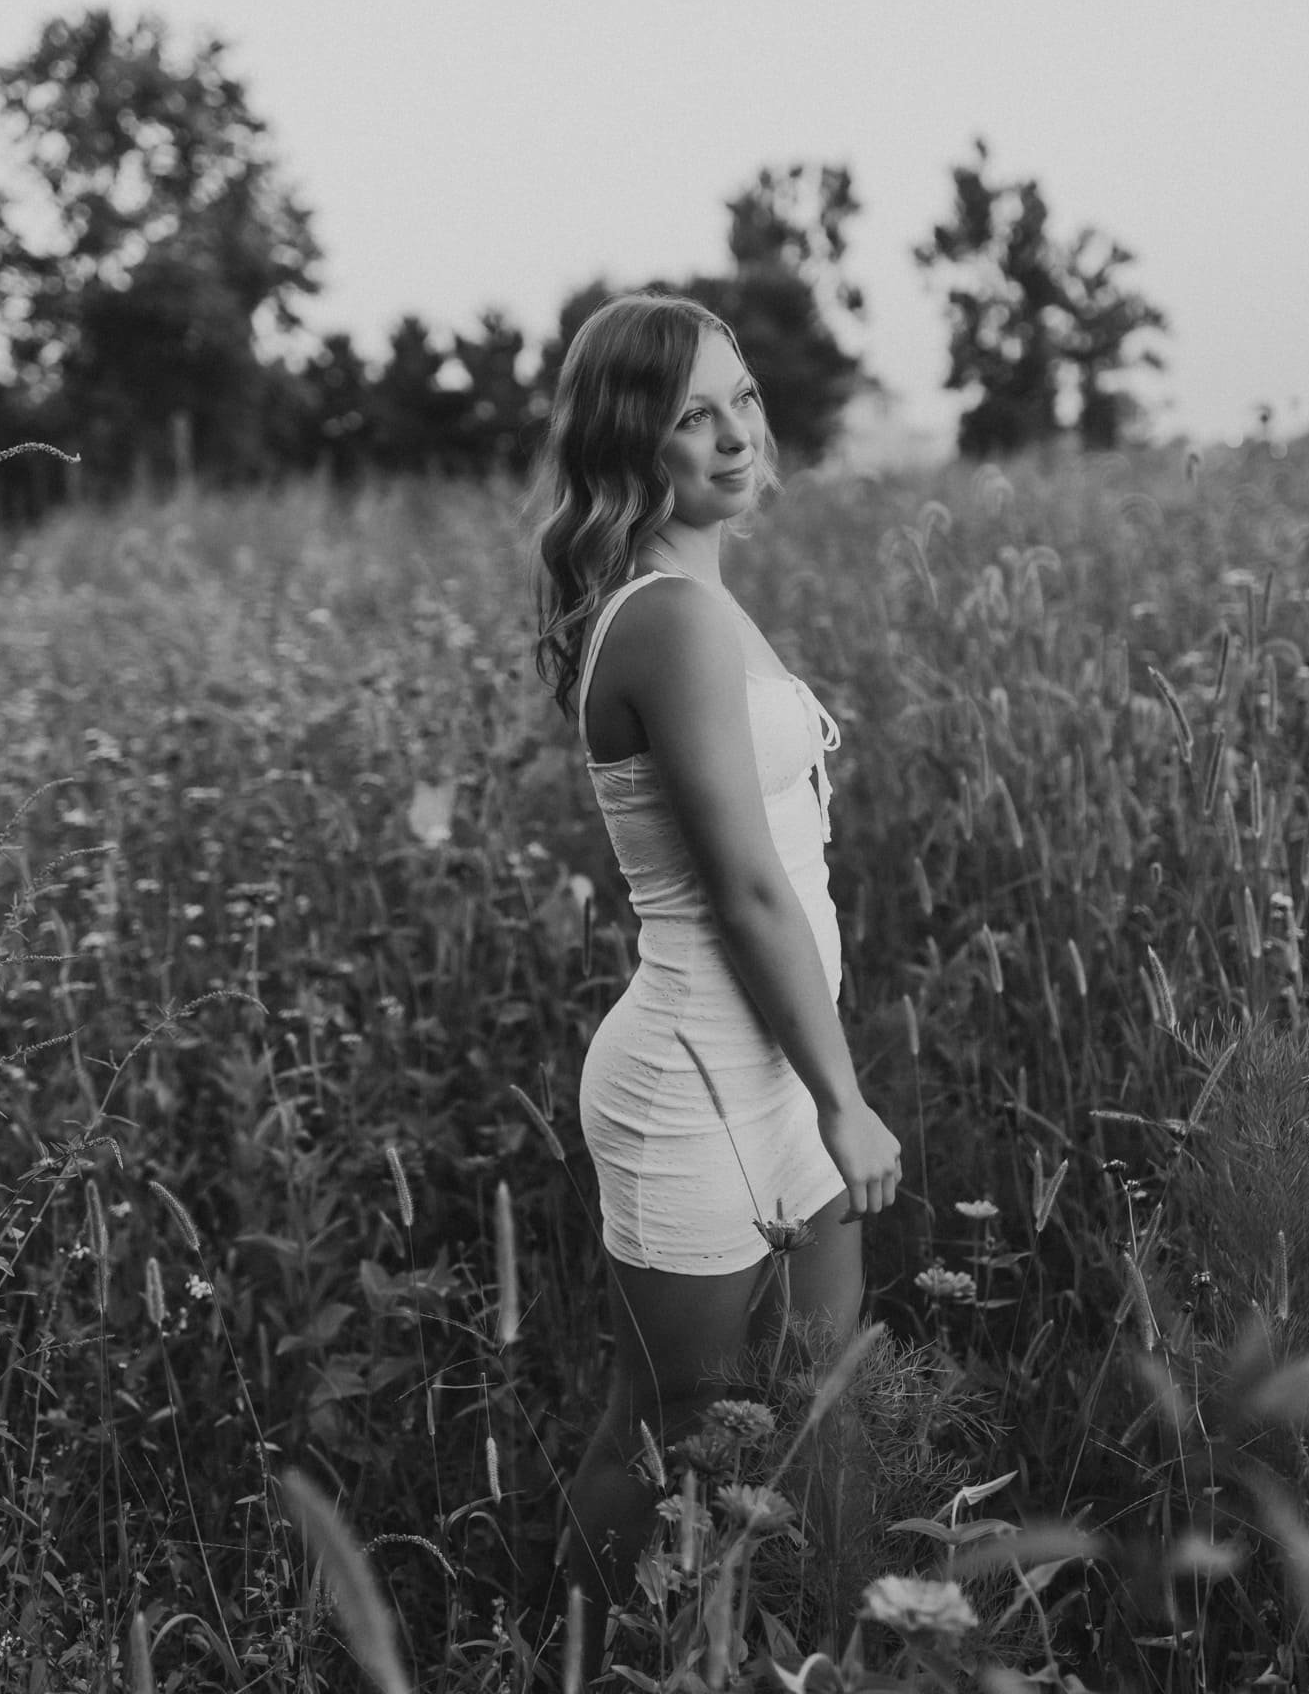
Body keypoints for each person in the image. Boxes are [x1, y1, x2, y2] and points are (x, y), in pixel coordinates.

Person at [530, 293, 901, 1680]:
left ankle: (775, 1651)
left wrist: (822, 1090)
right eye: (693, 414)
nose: (735, 433)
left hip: (787, 1073)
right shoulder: (671, 620)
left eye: (741, 397)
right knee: (669, 1421)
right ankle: (566, 1663)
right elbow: (746, 890)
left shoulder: (706, 602)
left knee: (822, 1404)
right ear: (635, 442)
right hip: (693, 1079)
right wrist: (845, 1099)